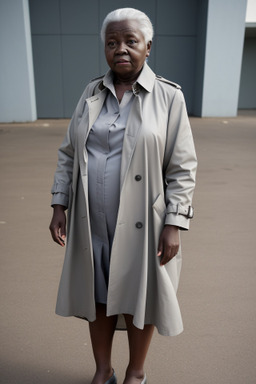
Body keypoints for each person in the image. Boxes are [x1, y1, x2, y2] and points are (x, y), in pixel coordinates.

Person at [49, 7, 197, 384]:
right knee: (97, 299)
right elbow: (69, 153)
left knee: (139, 299)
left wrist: (175, 223)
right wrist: (59, 203)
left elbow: (182, 168)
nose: (121, 49)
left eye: (131, 41)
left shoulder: (168, 97)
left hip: (144, 223)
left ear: (148, 46)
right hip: (91, 221)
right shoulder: (90, 93)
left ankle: (135, 372)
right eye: (112, 42)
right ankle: (103, 371)